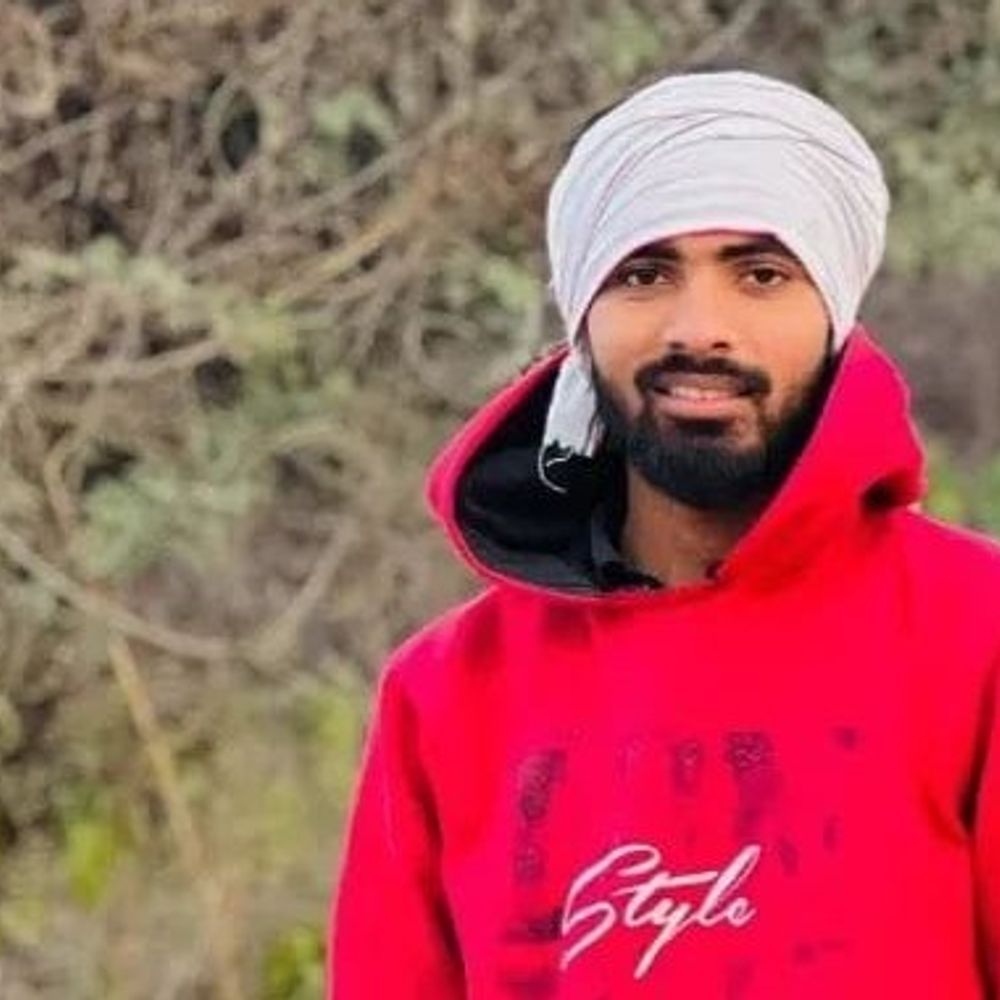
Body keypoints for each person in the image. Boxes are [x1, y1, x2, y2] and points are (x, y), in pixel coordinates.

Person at [329, 69, 1000, 999]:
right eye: (644, 275)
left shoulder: (973, 633)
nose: (700, 329)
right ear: (582, 323)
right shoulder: (446, 692)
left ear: (836, 318)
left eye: (762, 275)